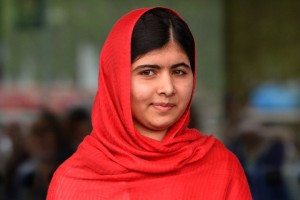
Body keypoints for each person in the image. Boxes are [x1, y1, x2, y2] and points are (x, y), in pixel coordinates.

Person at [47, 7, 251, 199]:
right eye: (148, 72)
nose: (168, 88)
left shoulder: (220, 168)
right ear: (116, 80)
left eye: (179, 72)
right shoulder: (74, 181)